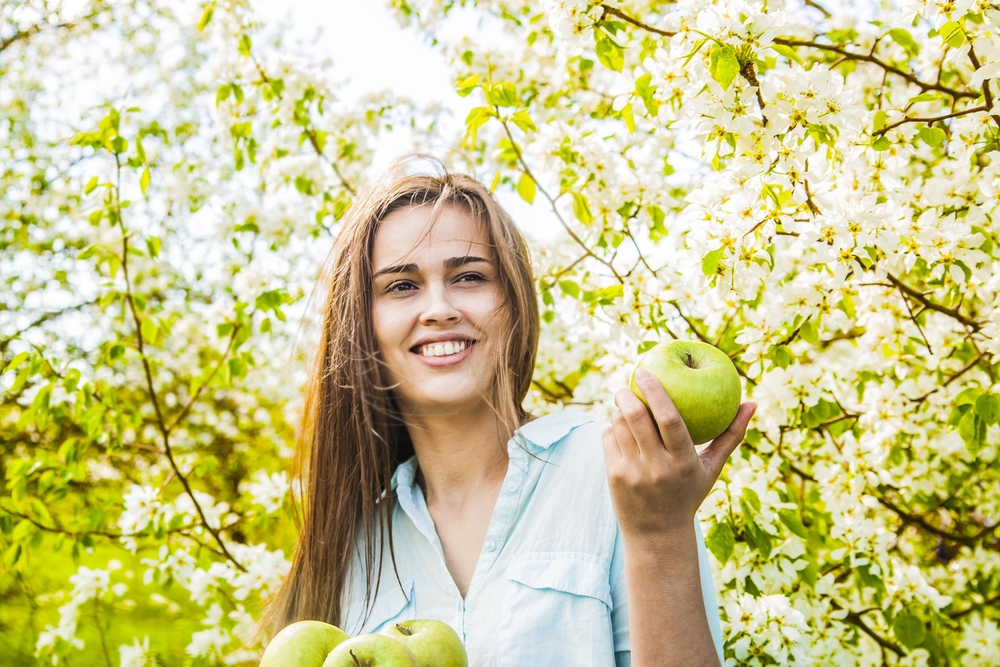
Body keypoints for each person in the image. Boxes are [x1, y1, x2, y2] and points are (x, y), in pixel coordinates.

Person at [263, 156, 756, 667]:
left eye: (470, 277)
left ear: (514, 304)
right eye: (402, 286)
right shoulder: (357, 545)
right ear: (361, 326)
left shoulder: (620, 472)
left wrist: (660, 534)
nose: (440, 308)